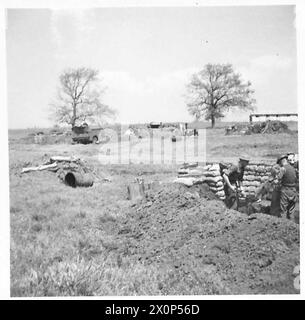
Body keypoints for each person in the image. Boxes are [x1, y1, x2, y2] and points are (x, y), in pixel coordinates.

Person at [277, 154, 298, 220]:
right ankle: (292, 227)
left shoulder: (283, 169)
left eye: (279, 163)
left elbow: (278, 180)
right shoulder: (293, 169)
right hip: (293, 191)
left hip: (285, 191)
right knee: (291, 212)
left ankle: (283, 228)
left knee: (283, 211)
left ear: (282, 161)